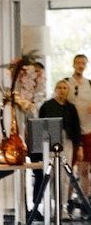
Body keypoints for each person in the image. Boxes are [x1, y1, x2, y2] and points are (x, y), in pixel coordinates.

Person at [33, 78, 82, 206]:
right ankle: (51, 205)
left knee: (65, 176)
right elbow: (40, 125)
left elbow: (76, 128)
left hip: (67, 143)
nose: (62, 90)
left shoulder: (71, 108)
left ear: (68, 91)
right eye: (59, 87)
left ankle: (63, 205)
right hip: (49, 144)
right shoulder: (47, 106)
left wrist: (79, 146)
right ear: (55, 89)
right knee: (50, 175)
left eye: (64, 88)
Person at [66, 54, 91, 194]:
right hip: (71, 133)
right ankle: (67, 200)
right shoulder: (66, 83)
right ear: (73, 64)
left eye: (83, 63)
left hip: (87, 130)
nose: (80, 66)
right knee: (68, 167)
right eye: (78, 63)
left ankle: (85, 200)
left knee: (85, 169)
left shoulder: (90, 84)